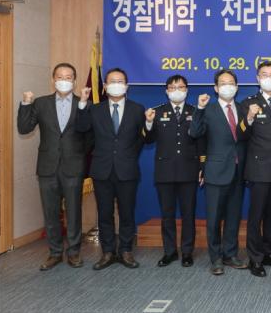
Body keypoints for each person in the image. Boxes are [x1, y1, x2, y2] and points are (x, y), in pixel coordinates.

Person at [17, 63, 92, 271]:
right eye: (60, 76)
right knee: (50, 212)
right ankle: (55, 252)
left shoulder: (84, 103)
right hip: (47, 166)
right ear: (53, 80)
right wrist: (26, 103)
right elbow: (24, 128)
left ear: (74, 81)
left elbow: (89, 136)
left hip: (73, 166)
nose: (64, 80)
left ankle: (74, 252)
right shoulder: (41, 103)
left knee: (74, 212)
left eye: (68, 77)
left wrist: (77, 153)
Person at [76, 68, 146, 270]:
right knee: (104, 213)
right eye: (112, 81)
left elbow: (143, 138)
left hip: (127, 169)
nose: (116, 84)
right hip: (102, 169)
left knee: (127, 212)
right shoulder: (94, 109)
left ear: (127, 86)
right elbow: (82, 129)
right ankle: (107, 252)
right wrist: (82, 103)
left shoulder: (137, 109)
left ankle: (125, 250)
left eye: (120, 81)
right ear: (105, 86)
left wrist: (129, 154)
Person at [189, 70, 249, 275]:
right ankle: (215, 258)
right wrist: (199, 109)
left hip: (238, 171)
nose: (227, 86)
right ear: (216, 88)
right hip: (215, 171)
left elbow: (246, 137)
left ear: (237, 87)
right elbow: (194, 133)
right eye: (223, 83)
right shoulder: (207, 109)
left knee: (233, 217)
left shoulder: (243, 109)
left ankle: (230, 254)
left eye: (231, 83)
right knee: (214, 218)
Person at [144, 75, 205, 268]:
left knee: (188, 214)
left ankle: (187, 252)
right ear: (166, 91)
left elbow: (201, 143)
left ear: (186, 89)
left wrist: (202, 167)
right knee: (167, 214)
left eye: (180, 87)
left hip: (189, 170)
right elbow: (148, 140)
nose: (176, 90)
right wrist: (148, 123)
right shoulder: (156, 112)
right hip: (165, 171)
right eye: (172, 87)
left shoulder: (195, 111)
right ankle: (169, 252)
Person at [237, 61, 271, 277]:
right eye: (264, 74)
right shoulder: (248, 102)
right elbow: (240, 134)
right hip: (258, 168)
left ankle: (270, 253)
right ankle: (255, 258)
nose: (269, 78)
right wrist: (249, 117)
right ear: (258, 78)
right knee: (256, 216)